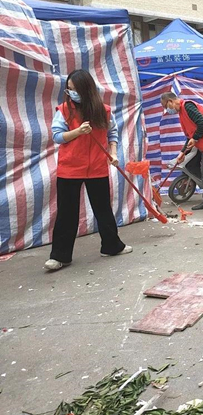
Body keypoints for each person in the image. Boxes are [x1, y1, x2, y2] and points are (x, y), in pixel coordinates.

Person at [45, 69, 132, 271]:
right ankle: (60, 256)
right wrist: (77, 131)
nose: (70, 92)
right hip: (70, 168)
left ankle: (111, 246)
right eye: (68, 89)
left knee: (103, 210)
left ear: (86, 89)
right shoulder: (64, 110)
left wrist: (113, 153)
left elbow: (112, 133)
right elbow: (57, 136)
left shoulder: (103, 110)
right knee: (67, 213)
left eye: (74, 89)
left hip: (97, 168)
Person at [161, 92, 203, 212]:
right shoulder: (181, 114)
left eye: (167, 107)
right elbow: (190, 137)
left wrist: (195, 138)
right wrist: (182, 153)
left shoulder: (188, 106)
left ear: (171, 102)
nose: (168, 110)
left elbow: (202, 123)